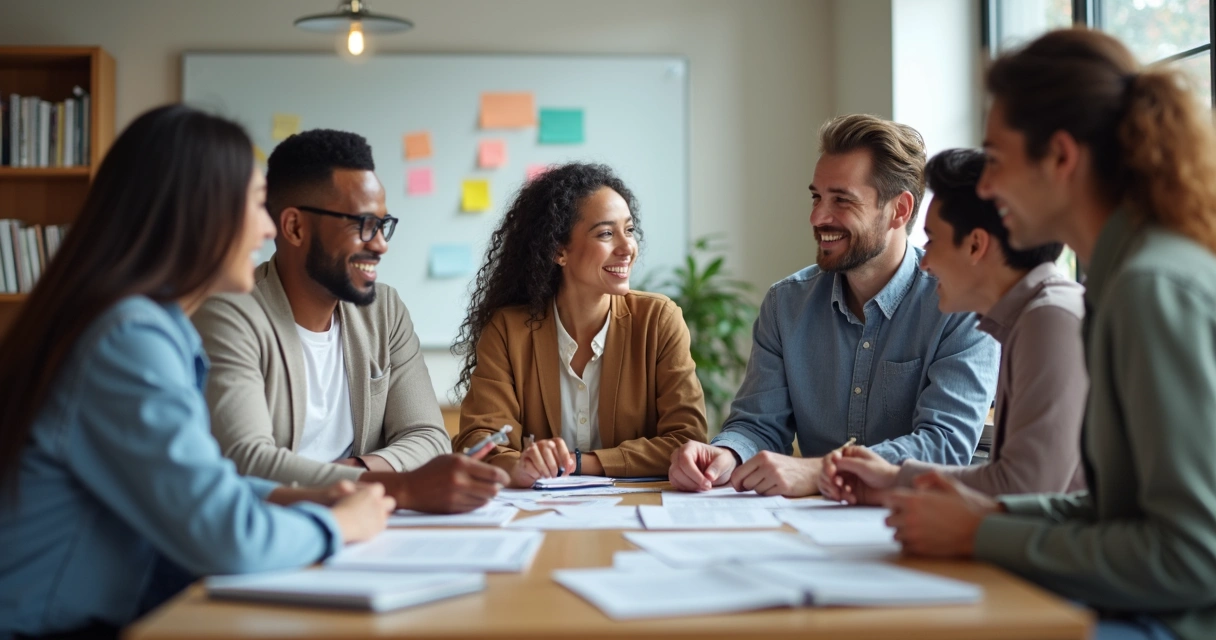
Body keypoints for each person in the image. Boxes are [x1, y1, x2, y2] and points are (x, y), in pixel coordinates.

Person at [0, 105, 394, 639]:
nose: (265, 228)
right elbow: (225, 537)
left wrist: (288, 496)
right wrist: (338, 526)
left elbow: (194, 487)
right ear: (197, 211)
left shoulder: (143, 323)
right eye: (257, 205)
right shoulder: (128, 339)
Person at [884, 29, 1216, 640]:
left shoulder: (1148, 290)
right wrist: (984, 514)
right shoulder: (1121, 282)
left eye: (998, 159)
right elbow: (1115, 513)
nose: (984, 187)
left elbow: (1194, 557)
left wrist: (981, 531)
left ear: (1061, 158)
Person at [669, 114, 999, 496]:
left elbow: (945, 445)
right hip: (810, 528)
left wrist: (821, 472)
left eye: (841, 200)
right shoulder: (786, 304)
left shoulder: (959, 305)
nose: (817, 217)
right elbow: (759, 424)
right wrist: (726, 453)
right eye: (816, 197)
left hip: (919, 525)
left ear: (900, 210)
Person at [193, 129, 508, 514]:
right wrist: (397, 485)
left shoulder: (384, 310)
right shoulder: (232, 313)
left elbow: (428, 437)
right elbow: (246, 460)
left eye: (382, 224)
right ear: (294, 228)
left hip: (364, 527)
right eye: (362, 224)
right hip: (273, 532)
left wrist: (357, 471)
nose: (380, 244)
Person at [820, 148, 1086, 502]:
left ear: (976, 244)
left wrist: (894, 481)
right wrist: (891, 479)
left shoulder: (1051, 320)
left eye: (931, 240)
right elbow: (1010, 479)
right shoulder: (1027, 317)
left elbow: (1027, 494)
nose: (925, 263)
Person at [451, 162, 708, 487]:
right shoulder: (507, 330)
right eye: (605, 233)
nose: (627, 247)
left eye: (628, 230)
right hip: (536, 517)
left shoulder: (658, 321)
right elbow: (478, 443)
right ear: (559, 250)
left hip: (638, 510)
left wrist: (578, 464)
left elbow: (688, 440)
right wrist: (519, 465)